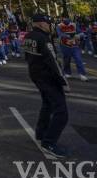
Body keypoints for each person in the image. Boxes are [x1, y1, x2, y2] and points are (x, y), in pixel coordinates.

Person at [22, 13, 70, 158]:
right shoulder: (43, 39)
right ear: (42, 23)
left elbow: (27, 56)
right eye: (48, 23)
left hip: (36, 74)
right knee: (61, 112)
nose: (50, 26)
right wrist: (64, 81)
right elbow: (53, 61)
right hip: (48, 77)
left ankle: (41, 132)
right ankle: (49, 142)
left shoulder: (28, 36)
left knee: (47, 104)